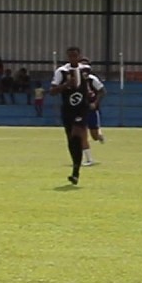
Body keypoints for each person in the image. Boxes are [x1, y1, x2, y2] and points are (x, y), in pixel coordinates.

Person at [50, 47, 93, 185]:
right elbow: (52, 91)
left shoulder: (86, 70)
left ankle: (75, 172)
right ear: (68, 57)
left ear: (79, 56)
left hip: (82, 108)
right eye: (70, 56)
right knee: (71, 141)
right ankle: (76, 170)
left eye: (75, 55)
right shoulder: (61, 71)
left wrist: (91, 95)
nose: (73, 58)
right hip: (68, 109)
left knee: (76, 134)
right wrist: (66, 85)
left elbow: (89, 87)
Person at [79, 58, 107, 154]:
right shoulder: (75, 79)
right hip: (80, 109)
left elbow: (102, 91)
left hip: (91, 109)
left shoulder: (93, 79)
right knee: (81, 133)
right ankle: (87, 158)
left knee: (94, 136)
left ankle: (99, 134)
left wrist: (95, 103)